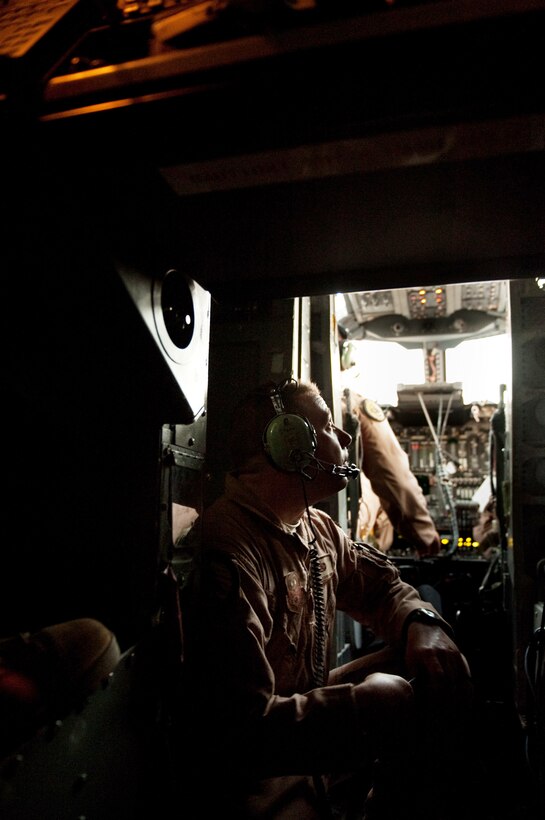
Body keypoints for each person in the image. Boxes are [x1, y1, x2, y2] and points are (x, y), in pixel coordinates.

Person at [179, 378, 474, 820]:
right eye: (330, 425)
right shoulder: (229, 550)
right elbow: (240, 733)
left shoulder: (314, 529)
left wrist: (421, 622)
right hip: (258, 792)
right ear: (289, 444)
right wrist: (365, 709)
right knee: (392, 694)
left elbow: (381, 586)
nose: (346, 437)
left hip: (308, 757)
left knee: (435, 663)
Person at [340, 340, 441, 557]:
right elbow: (391, 473)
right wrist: (423, 534)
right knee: (377, 496)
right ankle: (377, 560)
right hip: (334, 527)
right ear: (344, 358)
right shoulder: (353, 404)